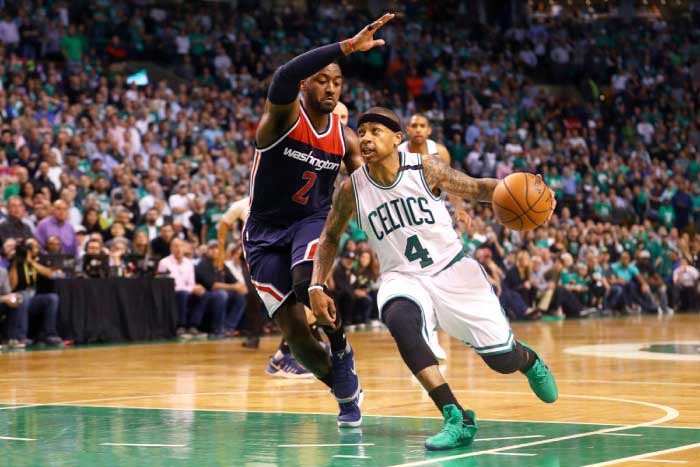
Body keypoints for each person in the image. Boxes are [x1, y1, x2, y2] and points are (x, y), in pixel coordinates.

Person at [309, 107, 558, 450]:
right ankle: (455, 416)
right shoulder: (351, 190)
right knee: (399, 319)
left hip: (452, 270)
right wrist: (316, 284)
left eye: (375, 131)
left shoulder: (425, 168)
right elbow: (329, 237)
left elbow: (476, 187)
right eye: (362, 131)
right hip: (402, 277)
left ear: (398, 139)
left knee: (502, 360)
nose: (365, 137)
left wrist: (525, 192)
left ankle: (527, 360)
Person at [242, 13, 394, 426]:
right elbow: (284, 72)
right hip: (262, 234)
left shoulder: (345, 138)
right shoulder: (282, 119)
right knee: (296, 336)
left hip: (310, 222)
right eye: (322, 80)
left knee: (307, 285)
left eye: (337, 82)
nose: (330, 87)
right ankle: (341, 385)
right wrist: (347, 46)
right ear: (306, 84)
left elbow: (368, 185)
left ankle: (341, 346)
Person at [8, 238, 64, 347]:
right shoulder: (16, 262)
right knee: (23, 295)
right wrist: (15, 263)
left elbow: (49, 274)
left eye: (35, 247)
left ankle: (49, 334)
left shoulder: (38, 261)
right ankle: (21, 337)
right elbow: (12, 286)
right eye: (30, 246)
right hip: (17, 298)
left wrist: (31, 262)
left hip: (33, 299)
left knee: (52, 298)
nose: (34, 249)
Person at [195, 240, 247, 339]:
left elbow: (233, 281)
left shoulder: (221, 265)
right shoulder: (203, 264)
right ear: (207, 251)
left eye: (217, 248)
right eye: (212, 248)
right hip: (206, 294)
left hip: (221, 293)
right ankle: (217, 329)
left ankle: (229, 327)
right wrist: (234, 287)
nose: (215, 251)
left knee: (240, 296)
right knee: (221, 294)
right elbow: (212, 286)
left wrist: (241, 287)